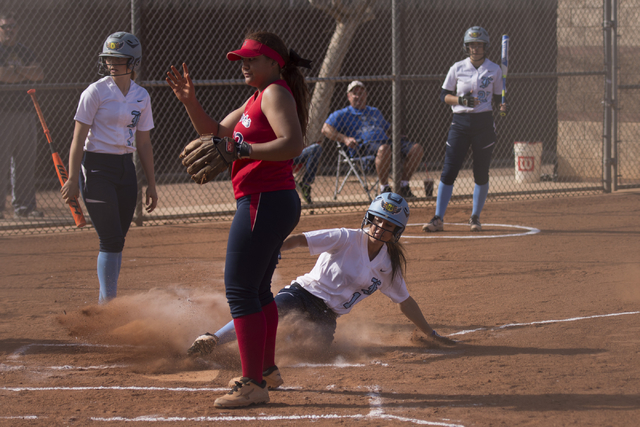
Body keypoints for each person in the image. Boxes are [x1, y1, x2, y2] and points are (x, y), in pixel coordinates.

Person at [166, 32, 312, 408]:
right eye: (241, 60)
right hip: (267, 200)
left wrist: (242, 149)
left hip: (265, 200)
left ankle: (251, 384)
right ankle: (267, 372)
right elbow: (216, 134)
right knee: (257, 290)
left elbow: (293, 143)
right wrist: (190, 102)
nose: (244, 65)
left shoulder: (276, 93)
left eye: (252, 59)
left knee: (240, 289)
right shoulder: (254, 99)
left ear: (274, 63)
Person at [187, 192, 456, 390]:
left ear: (397, 231)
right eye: (376, 220)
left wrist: (430, 333)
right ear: (368, 218)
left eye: (388, 226)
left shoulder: (388, 265)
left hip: (327, 317)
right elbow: (300, 240)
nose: (379, 228)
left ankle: (263, 358)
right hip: (303, 294)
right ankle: (213, 340)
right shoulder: (347, 237)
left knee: (313, 349)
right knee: (269, 312)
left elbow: (405, 302)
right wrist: (275, 249)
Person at [60, 32, 157, 303]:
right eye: (108, 58)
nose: (112, 63)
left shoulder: (141, 96)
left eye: (119, 59)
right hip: (97, 168)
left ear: (133, 61)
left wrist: (151, 183)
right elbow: (78, 138)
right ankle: (109, 306)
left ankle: (106, 302)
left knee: (118, 240)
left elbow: (145, 143)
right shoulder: (96, 91)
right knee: (110, 239)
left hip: (126, 169)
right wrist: (73, 179)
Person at [423, 26, 508, 233]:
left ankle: (475, 217)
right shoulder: (457, 68)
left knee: (480, 172)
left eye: (479, 45)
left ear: (485, 47)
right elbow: (443, 95)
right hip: (460, 124)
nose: (475, 49)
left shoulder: (495, 69)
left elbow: (498, 98)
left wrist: (503, 106)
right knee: (449, 171)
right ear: (466, 47)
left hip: (484, 125)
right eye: (472, 45)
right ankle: (437, 218)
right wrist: (461, 99)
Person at [321, 80, 423, 199]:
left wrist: (397, 133)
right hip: (365, 147)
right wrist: (345, 139)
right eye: (355, 93)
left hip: (387, 142)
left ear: (366, 95)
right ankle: (384, 188)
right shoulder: (343, 114)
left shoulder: (374, 111)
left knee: (416, 149)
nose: (359, 96)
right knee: (384, 149)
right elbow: (325, 129)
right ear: (349, 96)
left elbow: (387, 128)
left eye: (362, 93)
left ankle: (403, 186)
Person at [0, 12, 45, 219]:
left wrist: (15, 70)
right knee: (1, 162)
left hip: (26, 112)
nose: (9, 31)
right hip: (3, 113)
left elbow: (39, 74)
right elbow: (3, 76)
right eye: (5, 27)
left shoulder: (25, 51)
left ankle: (25, 207)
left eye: (12, 27)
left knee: (25, 161)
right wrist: (21, 73)